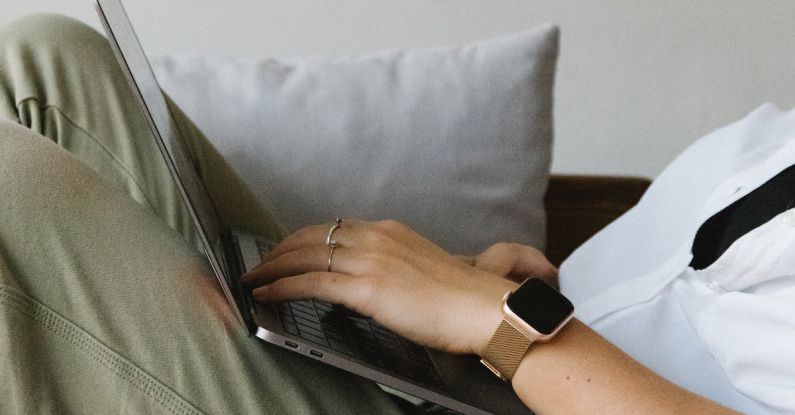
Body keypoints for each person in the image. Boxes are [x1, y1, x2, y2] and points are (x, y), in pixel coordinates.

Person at [1, 13, 791, 415]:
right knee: (47, 62)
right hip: (480, 380)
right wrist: (535, 296)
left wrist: (507, 323)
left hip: (508, 366)